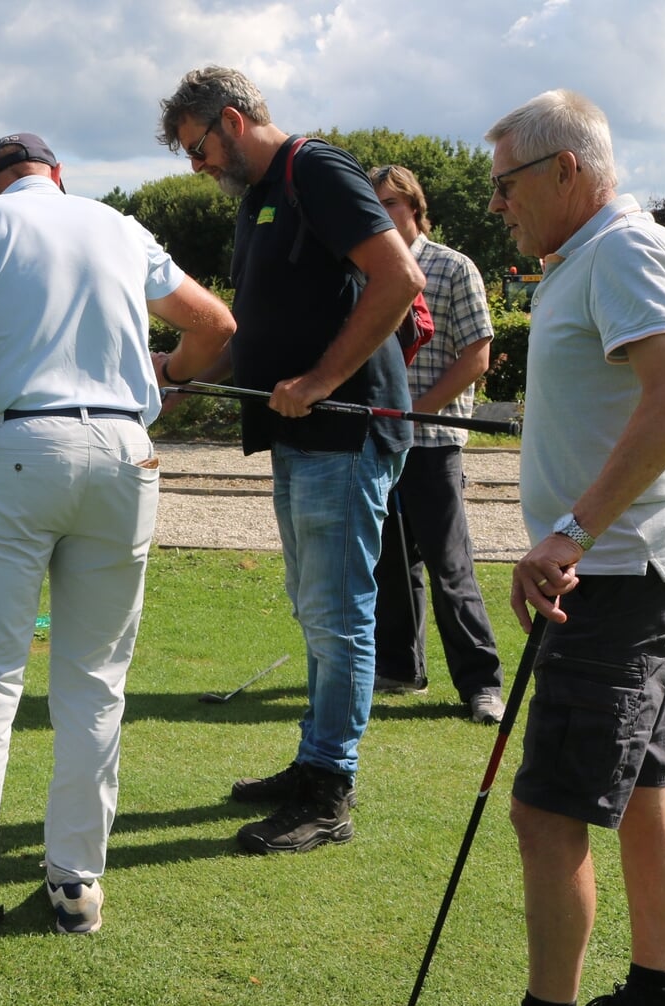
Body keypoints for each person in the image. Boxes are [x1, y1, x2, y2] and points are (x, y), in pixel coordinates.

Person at [0, 134, 235, 980]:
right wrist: (165, 374)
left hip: (17, 447)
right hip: (126, 453)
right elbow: (215, 325)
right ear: (59, 176)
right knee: (95, 679)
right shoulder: (119, 225)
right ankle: (76, 881)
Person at [411, 90, 665, 1006]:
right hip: (638, 567)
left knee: (548, 810)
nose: (496, 204)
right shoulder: (596, 257)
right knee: (640, 788)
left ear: (566, 171)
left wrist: (570, 533)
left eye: (505, 185)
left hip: (613, 576)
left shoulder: (620, 251)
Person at [157, 66, 424, 854]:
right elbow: (251, 326)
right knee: (315, 611)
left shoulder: (316, 169)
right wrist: (182, 380)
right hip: (301, 438)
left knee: (339, 617)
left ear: (232, 122)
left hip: (346, 431)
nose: (196, 166)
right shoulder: (258, 199)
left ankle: (327, 792)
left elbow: (399, 277)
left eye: (197, 148)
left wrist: (318, 381)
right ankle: (313, 760)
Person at [367, 165, 506, 724]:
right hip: (381, 440)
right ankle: (402, 668)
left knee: (451, 568)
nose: (383, 215)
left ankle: (481, 685)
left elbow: (477, 356)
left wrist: (414, 414)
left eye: (391, 204)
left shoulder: (452, 267)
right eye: (373, 207)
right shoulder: (367, 270)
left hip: (434, 441)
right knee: (392, 567)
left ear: (415, 208)